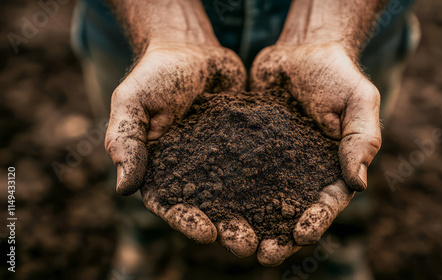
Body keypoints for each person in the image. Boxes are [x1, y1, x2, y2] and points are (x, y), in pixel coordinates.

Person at [71, 0, 419, 278]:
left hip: (354, 19)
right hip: (137, 21)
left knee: (347, 154)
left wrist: (324, 32)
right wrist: (170, 30)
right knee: (142, 155)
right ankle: (146, 242)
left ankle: (340, 249)